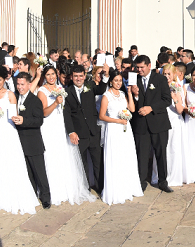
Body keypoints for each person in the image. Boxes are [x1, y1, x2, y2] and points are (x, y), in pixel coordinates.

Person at [0, 68, 40, 214]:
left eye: (0, 80)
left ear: (4, 80)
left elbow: (14, 115)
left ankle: (14, 195)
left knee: (10, 162)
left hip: (8, 132)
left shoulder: (10, 95)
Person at [37, 66, 95, 206]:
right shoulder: (42, 91)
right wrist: (56, 103)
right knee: (52, 157)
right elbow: (44, 112)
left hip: (60, 126)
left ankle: (67, 188)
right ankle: (54, 190)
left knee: (64, 157)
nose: (51, 77)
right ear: (44, 76)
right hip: (50, 127)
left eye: (53, 74)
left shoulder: (60, 88)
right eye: (48, 74)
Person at [99, 71, 144, 204]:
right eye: (116, 80)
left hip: (126, 129)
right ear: (111, 81)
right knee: (116, 157)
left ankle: (127, 187)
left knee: (126, 156)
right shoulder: (106, 96)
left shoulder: (123, 94)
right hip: (114, 129)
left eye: (120, 80)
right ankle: (116, 190)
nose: (118, 83)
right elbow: (102, 116)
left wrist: (130, 93)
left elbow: (132, 109)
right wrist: (118, 121)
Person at [130, 55, 174, 193]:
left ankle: (163, 181)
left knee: (161, 153)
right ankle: (141, 182)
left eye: (142, 67)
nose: (139, 70)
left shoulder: (160, 79)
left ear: (149, 66)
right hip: (141, 124)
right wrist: (134, 94)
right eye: (137, 68)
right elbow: (131, 103)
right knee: (141, 155)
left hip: (158, 122)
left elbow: (167, 100)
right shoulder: (134, 80)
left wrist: (151, 108)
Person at [12, 71, 51, 209]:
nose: (20, 87)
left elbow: (39, 121)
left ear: (29, 85)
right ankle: (32, 195)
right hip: (19, 141)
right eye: (18, 84)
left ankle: (46, 197)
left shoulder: (35, 101)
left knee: (39, 172)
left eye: (22, 84)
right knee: (27, 172)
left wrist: (24, 120)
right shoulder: (14, 97)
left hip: (33, 142)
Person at [63, 65, 103, 193]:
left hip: (93, 132)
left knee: (98, 162)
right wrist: (71, 131)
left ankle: (100, 187)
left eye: (81, 76)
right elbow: (67, 114)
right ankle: (85, 189)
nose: (78, 78)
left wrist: (106, 75)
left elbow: (101, 88)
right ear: (72, 77)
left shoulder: (90, 86)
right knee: (82, 163)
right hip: (79, 133)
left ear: (85, 76)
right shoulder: (67, 92)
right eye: (76, 76)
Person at [157, 63, 186, 187]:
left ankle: (173, 177)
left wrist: (175, 99)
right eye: (165, 74)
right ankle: (161, 175)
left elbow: (180, 110)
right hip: (162, 120)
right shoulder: (159, 87)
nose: (167, 76)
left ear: (174, 75)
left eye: (169, 74)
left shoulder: (177, 88)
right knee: (162, 148)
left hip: (174, 121)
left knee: (173, 149)